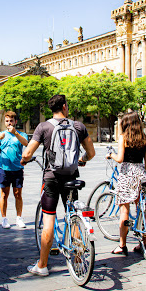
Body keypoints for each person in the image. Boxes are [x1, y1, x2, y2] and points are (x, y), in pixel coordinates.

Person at [21, 94, 95, 277]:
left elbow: (29, 151)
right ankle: (78, 261)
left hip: (52, 178)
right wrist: (81, 159)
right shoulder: (78, 126)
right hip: (71, 177)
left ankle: (42, 265)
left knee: (49, 221)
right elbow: (91, 153)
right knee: (73, 215)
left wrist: (23, 160)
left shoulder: (43, 127)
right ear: (64, 107)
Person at [106, 112, 146, 255]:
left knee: (124, 210)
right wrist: (145, 177)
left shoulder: (123, 137)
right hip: (141, 173)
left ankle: (122, 245)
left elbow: (120, 159)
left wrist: (111, 155)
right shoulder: (145, 139)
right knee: (141, 208)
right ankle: (143, 243)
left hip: (127, 174)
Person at [0, 111, 28, 229]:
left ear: (15, 122)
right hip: (4, 169)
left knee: (18, 194)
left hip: (18, 169)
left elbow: (26, 143)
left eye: (11, 121)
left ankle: (19, 218)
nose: (9, 123)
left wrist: (15, 133)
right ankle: (4, 218)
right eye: (7, 121)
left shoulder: (21, 134)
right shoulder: (1, 134)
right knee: (4, 194)